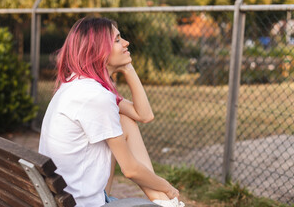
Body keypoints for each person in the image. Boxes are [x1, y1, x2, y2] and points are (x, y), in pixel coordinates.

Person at [38, 17, 185, 207]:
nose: (126, 43)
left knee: (124, 120)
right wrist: (167, 187)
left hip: (65, 199)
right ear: (97, 50)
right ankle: (166, 201)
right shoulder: (95, 97)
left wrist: (128, 68)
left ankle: (164, 203)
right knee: (123, 122)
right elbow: (130, 169)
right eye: (117, 40)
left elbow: (144, 115)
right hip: (82, 204)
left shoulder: (78, 84)